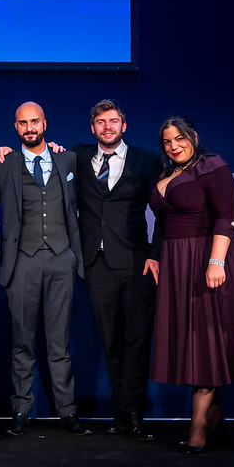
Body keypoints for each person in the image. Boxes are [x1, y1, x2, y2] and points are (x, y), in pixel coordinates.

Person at [150, 115, 234, 454]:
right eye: (167, 142)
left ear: (194, 136)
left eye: (180, 138)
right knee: (193, 341)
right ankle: (213, 415)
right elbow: (161, 223)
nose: (174, 146)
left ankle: (198, 425)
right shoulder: (165, 174)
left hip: (208, 258)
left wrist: (215, 262)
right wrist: (155, 257)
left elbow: (226, 216)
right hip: (177, 264)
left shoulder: (212, 167)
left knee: (205, 343)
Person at [0, 101, 90, 437]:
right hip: (23, 261)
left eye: (35, 121)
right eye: (23, 123)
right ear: (16, 127)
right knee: (22, 342)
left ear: (44, 124)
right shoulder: (5, 163)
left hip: (62, 258)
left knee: (59, 342)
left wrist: (74, 256)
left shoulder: (67, 159)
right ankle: (21, 410)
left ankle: (68, 411)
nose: (30, 127)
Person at [73, 99, 163, 440]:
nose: (107, 127)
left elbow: (165, 213)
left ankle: (134, 414)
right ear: (92, 128)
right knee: (110, 342)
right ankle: (122, 414)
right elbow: (43, 155)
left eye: (113, 121)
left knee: (136, 340)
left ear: (124, 126)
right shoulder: (78, 156)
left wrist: (155, 254)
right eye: (101, 122)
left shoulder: (148, 161)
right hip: (97, 264)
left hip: (137, 263)